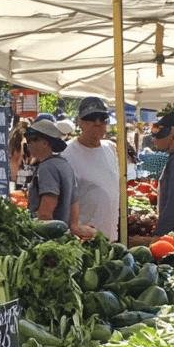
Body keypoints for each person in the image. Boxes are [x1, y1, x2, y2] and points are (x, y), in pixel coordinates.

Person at [63, 96, 121, 240]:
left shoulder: (110, 148)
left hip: (111, 236)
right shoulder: (67, 154)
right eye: (91, 118)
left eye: (102, 118)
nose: (97, 123)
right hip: (84, 240)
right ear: (79, 122)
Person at [23, 119, 87, 234]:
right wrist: (74, 226)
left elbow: (45, 213)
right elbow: (74, 201)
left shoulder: (47, 167)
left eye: (31, 140)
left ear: (45, 142)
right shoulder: (64, 164)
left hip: (49, 236)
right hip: (63, 236)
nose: (29, 144)